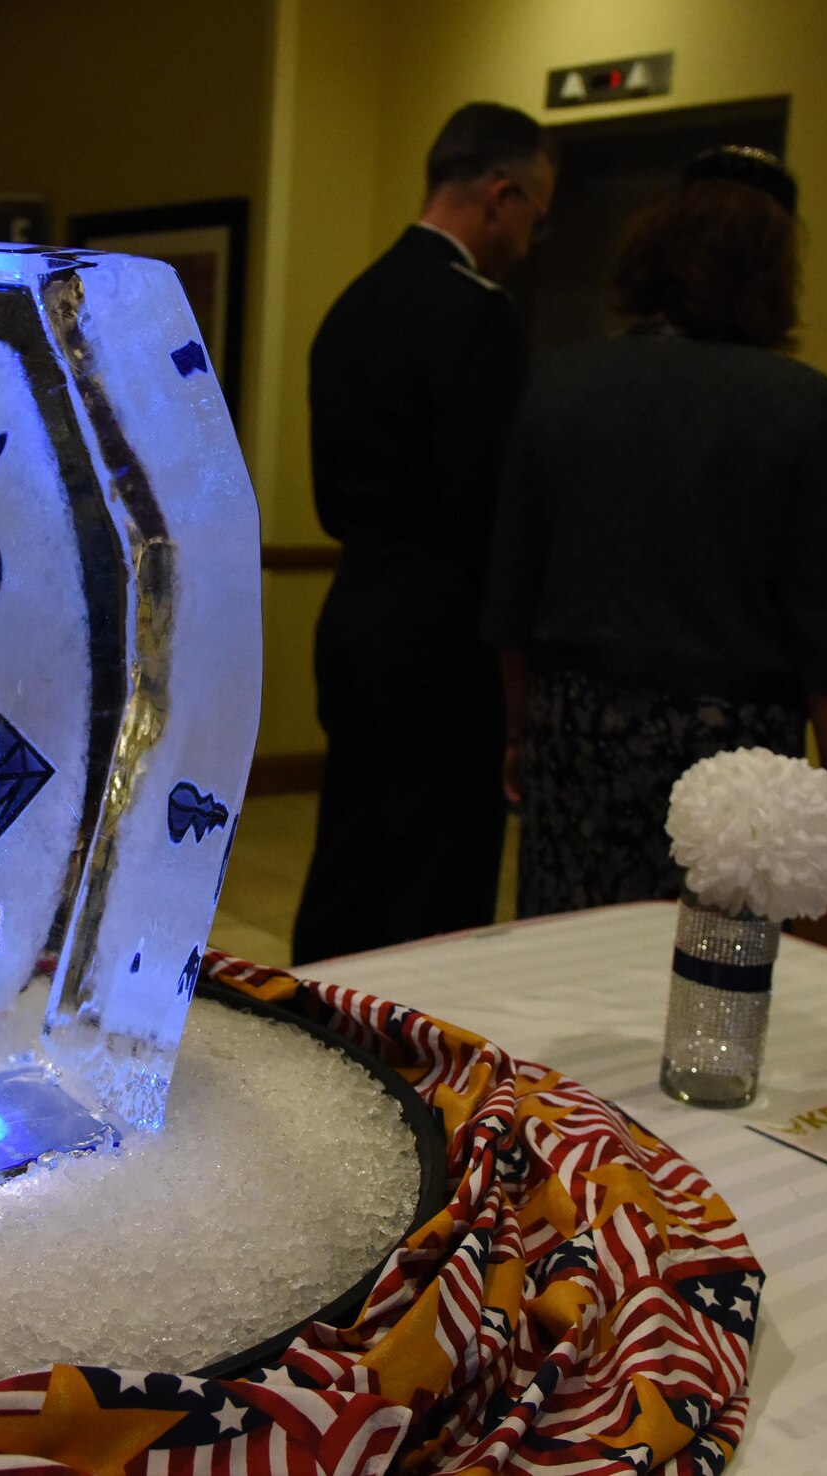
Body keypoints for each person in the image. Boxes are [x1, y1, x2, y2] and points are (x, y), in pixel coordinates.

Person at [482, 147, 827, 916]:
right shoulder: (801, 405)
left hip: (580, 721)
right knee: (709, 965)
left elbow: (511, 587)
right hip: (733, 748)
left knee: (564, 943)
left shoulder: (561, 383)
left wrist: (520, 729)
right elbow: (823, 618)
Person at [292, 102, 555, 964]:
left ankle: (319, 1020)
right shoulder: (479, 316)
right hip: (443, 624)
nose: (528, 237)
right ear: (499, 193)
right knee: (437, 868)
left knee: (353, 846)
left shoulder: (353, 305)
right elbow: (491, 508)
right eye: (533, 215)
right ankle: (422, 1059)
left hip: (357, 605)